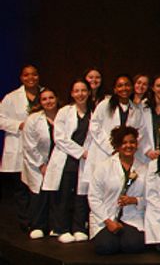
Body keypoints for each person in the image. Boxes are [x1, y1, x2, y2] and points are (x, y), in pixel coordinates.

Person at [88, 126, 147, 255]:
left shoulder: (143, 168)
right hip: (107, 217)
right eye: (124, 143)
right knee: (106, 247)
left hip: (131, 217)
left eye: (132, 142)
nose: (128, 146)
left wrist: (135, 200)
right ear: (117, 145)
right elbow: (93, 197)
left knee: (134, 246)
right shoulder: (103, 167)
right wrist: (108, 222)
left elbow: (150, 197)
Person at [50, 80, 92, 242]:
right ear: (72, 94)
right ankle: (62, 228)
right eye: (77, 91)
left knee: (82, 195)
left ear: (88, 93)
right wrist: (81, 152)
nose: (80, 94)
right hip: (67, 159)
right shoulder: (64, 112)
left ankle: (79, 227)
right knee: (65, 194)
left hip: (86, 160)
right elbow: (59, 138)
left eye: (83, 90)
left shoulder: (93, 113)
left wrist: (87, 154)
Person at [20, 88, 58, 239]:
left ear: (56, 99)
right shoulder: (34, 119)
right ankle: (37, 226)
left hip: (57, 162)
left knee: (57, 196)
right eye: (44, 99)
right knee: (40, 195)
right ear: (40, 102)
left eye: (51, 98)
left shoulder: (64, 116)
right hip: (37, 163)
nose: (48, 101)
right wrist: (41, 165)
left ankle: (55, 226)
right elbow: (29, 145)